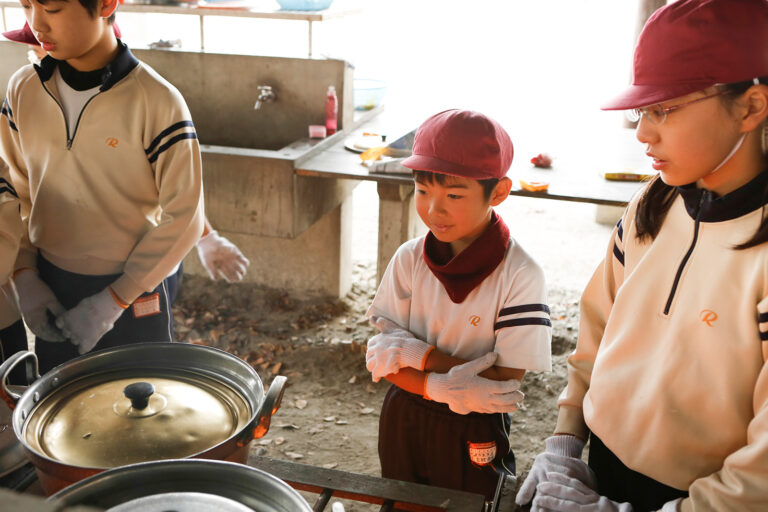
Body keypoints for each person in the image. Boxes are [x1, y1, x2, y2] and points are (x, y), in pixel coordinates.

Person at [515, 1, 768, 511]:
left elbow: (760, 472)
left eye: (665, 109)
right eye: (641, 111)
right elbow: (599, 330)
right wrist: (567, 440)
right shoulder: (654, 204)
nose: (643, 133)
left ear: (751, 106)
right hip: (602, 467)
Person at [0, 0, 207, 375]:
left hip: (132, 291)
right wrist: (25, 275)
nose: (36, 23)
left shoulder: (156, 100)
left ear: (107, 4)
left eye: (53, 9)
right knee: (63, 412)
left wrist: (115, 299)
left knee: (142, 408)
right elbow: (16, 191)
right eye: (27, 5)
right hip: (51, 283)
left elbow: (186, 218)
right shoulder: (23, 90)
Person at [365, 109, 552, 500]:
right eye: (423, 191)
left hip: (475, 423)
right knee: (402, 501)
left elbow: (502, 384)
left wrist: (416, 354)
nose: (434, 209)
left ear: (498, 192)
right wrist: (437, 385)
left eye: (453, 195)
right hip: (405, 413)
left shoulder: (519, 273)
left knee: (472, 502)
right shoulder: (409, 258)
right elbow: (384, 364)